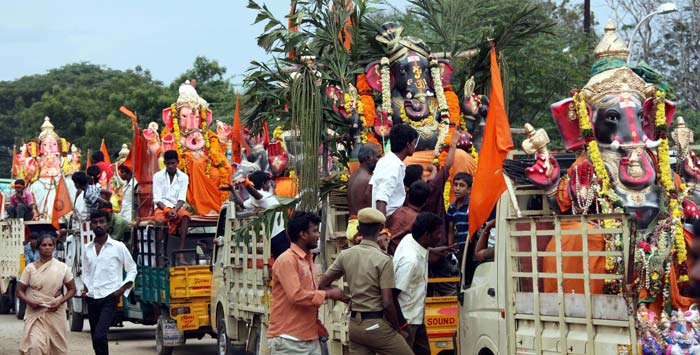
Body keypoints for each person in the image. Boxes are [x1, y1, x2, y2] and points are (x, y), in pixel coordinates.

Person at [319, 207, 413, 354]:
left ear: (358, 228)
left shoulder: (346, 255)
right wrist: (397, 329)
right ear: (381, 229)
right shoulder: (383, 260)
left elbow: (322, 285)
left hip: (355, 327)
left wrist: (345, 298)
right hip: (376, 325)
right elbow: (388, 302)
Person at [267, 211, 349, 354]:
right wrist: (328, 294)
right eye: (315, 231)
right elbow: (296, 296)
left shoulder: (307, 258)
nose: (318, 235)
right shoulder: (287, 260)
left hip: (307, 338)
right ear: (303, 234)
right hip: (289, 340)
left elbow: (307, 295)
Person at [81, 209, 137, 355]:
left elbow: (132, 269)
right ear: (91, 225)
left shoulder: (118, 247)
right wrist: (86, 288)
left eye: (101, 222)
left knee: (100, 335)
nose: (98, 225)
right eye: (95, 222)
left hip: (109, 298)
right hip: (92, 297)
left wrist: (120, 290)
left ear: (107, 225)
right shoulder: (87, 249)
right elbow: (86, 272)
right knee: (96, 338)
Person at [393, 212, 449, 355]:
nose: (440, 237)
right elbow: (393, 294)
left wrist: (433, 250)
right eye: (437, 233)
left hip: (417, 317)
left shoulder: (409, 239)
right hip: (408, 320)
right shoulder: (411, 262)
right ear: (426, 235)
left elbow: (420, 249)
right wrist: (402, 325)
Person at [17, 233, 77, 355]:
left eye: (50, 245)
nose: (47, 247)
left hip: (55, 311)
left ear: (54, 248)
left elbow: (72, 289)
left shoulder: (62, 267)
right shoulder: (30, 268)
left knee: (57, 349)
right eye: (44, 245)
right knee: (35, 346)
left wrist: (60, 301)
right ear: (38, 248)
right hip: (35, 313)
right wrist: (31, 302)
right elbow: (19, 290)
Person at [369, 124, 418, 217]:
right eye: (414, 143)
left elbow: (369, 191)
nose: (415, 146)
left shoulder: (386, 161)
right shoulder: (392, 165)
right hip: (389, 220)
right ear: (408, 145)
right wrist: (382, 229)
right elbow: (381, 199)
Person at [152, 150, 191, 251]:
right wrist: (166, 210)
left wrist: (174, 211)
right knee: (160, 222)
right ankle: (159, 254)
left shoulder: (184, 177)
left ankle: (181, 251)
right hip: (162, 207)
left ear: (177, 162)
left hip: (176, 208)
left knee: (185, 217)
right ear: (164, 163)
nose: (170, 166)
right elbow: (157, 199)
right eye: (168, 163)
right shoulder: (157, 176)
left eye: (172, 163)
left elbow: (182, 199)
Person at [347, 143, 381, 241]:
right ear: (367, 159)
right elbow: (373, 209)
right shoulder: (369, 179)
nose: (380, 161)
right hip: (362, 229)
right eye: (378, 157)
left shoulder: (353, 176)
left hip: (352, 225)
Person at [386, 180, 430, 255]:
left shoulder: (397, 211)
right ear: (426, 201)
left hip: (386, 253)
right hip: (401, 257)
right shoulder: (419, 220)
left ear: (408, 195)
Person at [447, 173, 472, 247]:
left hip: (471, 246)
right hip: (460, 246)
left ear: (469, 189)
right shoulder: (452, 208)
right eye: (455, 185)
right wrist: (450, 246)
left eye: (462, 185)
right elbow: (451, 230)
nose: (457, 188)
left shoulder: (471, 206)